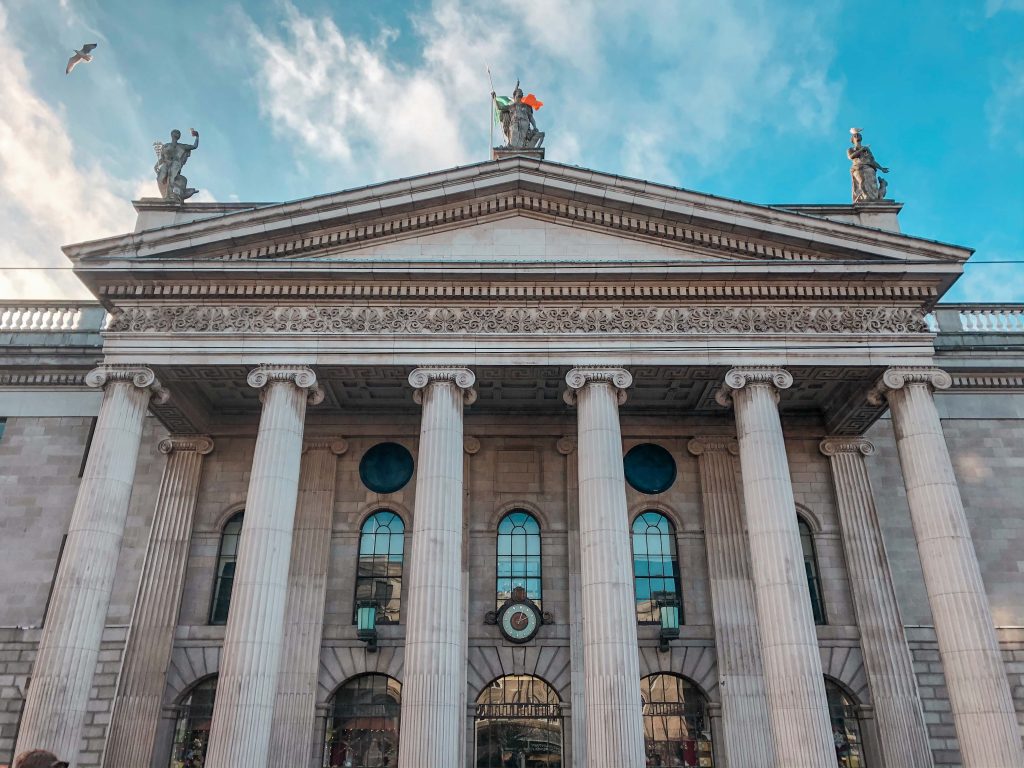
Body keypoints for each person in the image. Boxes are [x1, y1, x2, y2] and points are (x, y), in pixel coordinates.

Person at [154, 128, 200, 202]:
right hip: (166, 164)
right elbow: (162, 158)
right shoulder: (166, 146)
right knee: (161, 178)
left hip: (176, 165)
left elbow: (194, 146)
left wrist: (197, 137)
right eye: (176, 133)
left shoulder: (182, 146)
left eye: (179, 133)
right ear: (171, 135)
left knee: (172, 178)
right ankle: (167, 195)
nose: (177, 134)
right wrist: (156, 165)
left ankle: (171, 196)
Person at [491, 84, 544, 149]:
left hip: (525, 123)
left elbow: (530, 117)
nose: (522, 92)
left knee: (523, 140)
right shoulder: (511, 106)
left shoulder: (526, 106)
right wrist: (494, 98)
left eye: (522, 92)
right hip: (514, 123)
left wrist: (535, 126)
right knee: (514, 139)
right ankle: (512, 149)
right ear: (515, 94)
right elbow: (500, 107)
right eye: (519, 91)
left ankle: (523, 150)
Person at [847, 128, 889, 203]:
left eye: (858, 135)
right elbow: (851, 157)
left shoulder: (866, 150)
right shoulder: (851, 149)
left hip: (870, 169)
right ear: (852, 139)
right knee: (862, 183)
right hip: (859, 168)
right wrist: (861, 150)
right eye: (855, 135)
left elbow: (872, 161)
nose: (857, 136)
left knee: (872, 185)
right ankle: (864, 199)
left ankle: (874, 199)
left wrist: (881, 168)